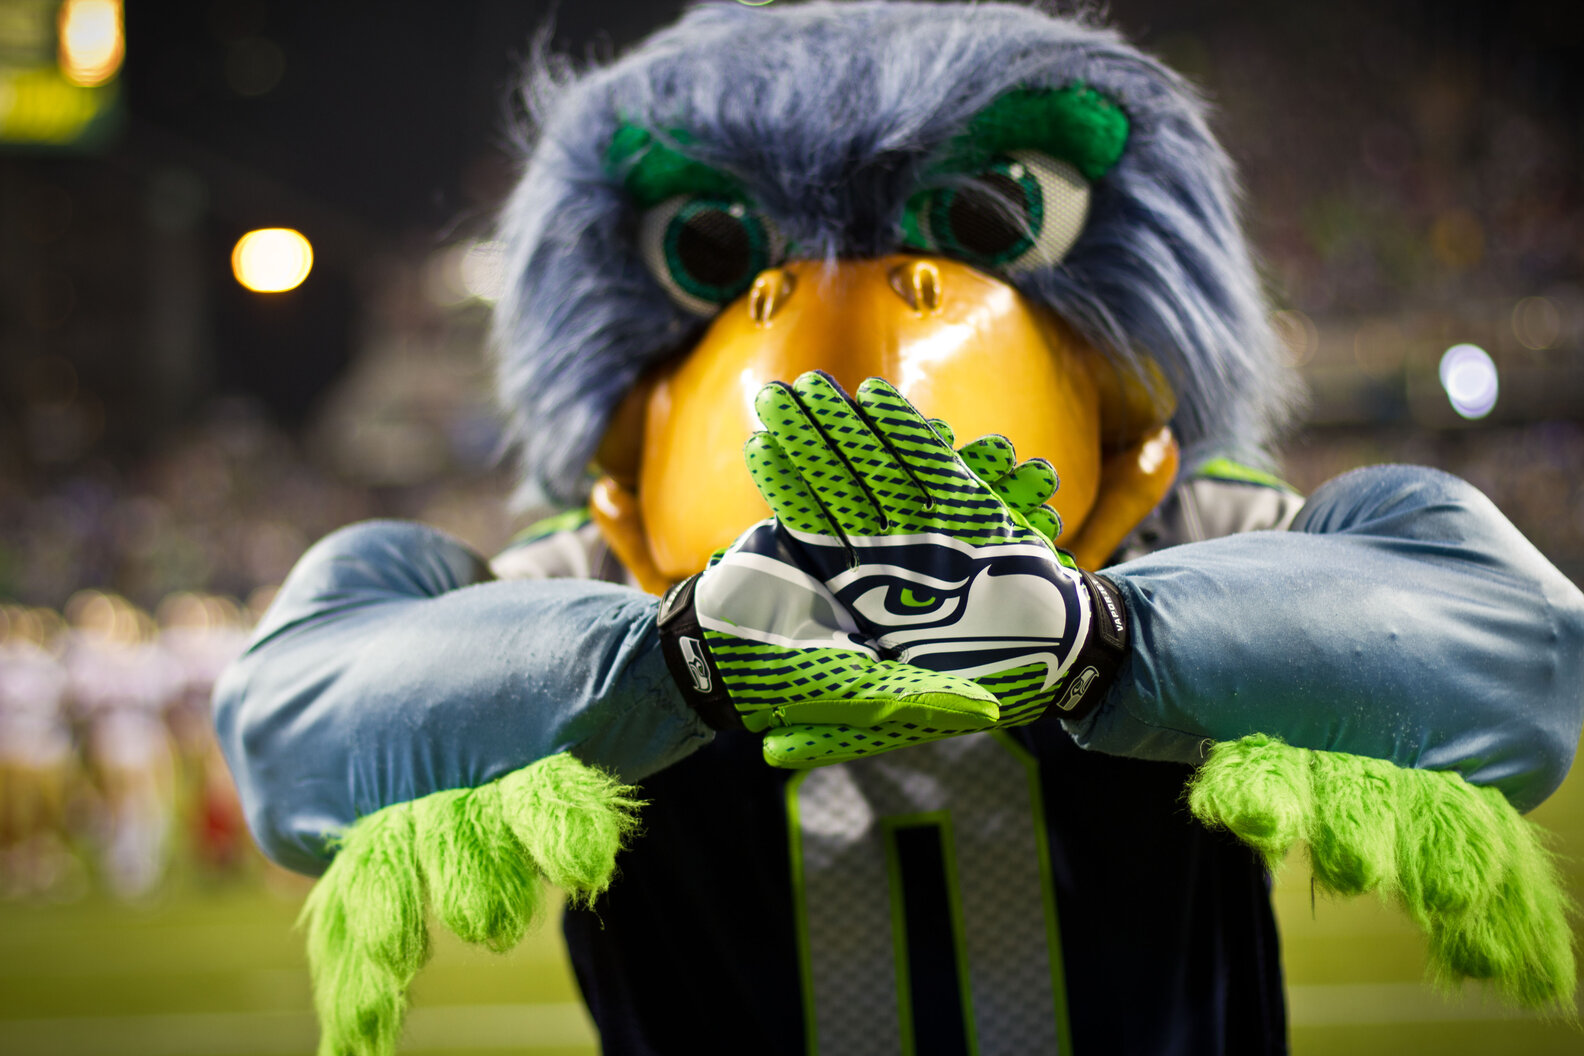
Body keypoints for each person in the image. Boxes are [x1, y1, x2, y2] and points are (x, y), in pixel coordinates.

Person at [215, 4, 1584, 1053]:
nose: (847, 312)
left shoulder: (1191, 532)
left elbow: (1520, 658)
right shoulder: (590, 576)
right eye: (717, 251)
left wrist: (1115, 640)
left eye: (984, 220)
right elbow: (292, 729)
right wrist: (663, 666)